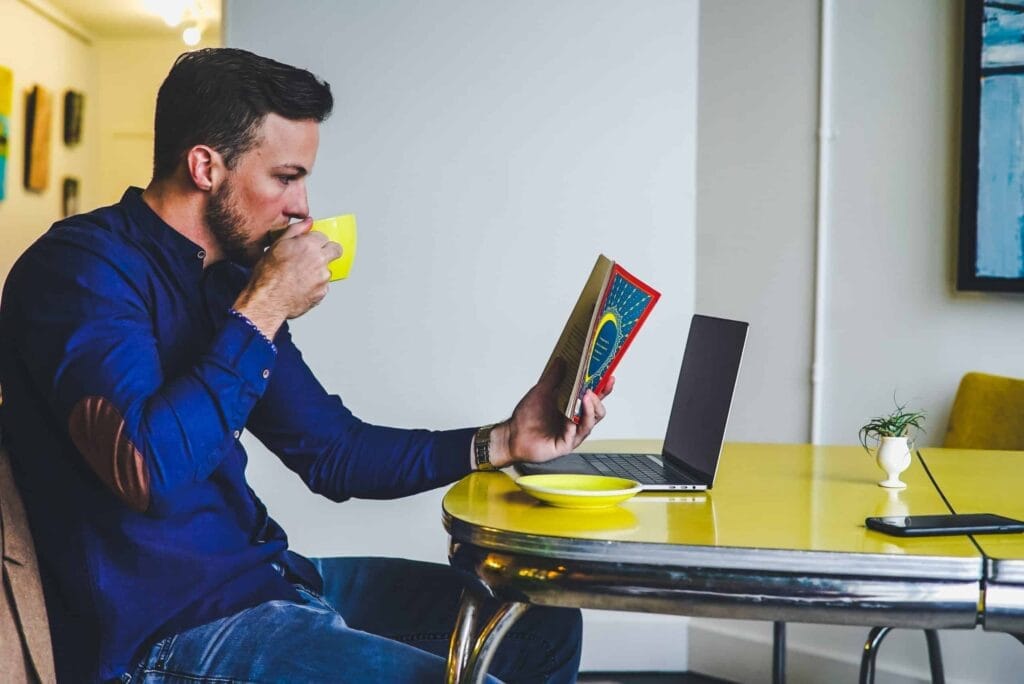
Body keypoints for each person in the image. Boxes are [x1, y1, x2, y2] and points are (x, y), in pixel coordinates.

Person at [0, 48, 611, 683]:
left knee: (540, 625)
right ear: (206, 166)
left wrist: (506, 440)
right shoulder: (80, 271)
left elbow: (333, 452)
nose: (302, 209)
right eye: (285, 178)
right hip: (166, 633)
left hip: (270, 581)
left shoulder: (229, 282)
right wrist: (263, 309)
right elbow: (148, 470)